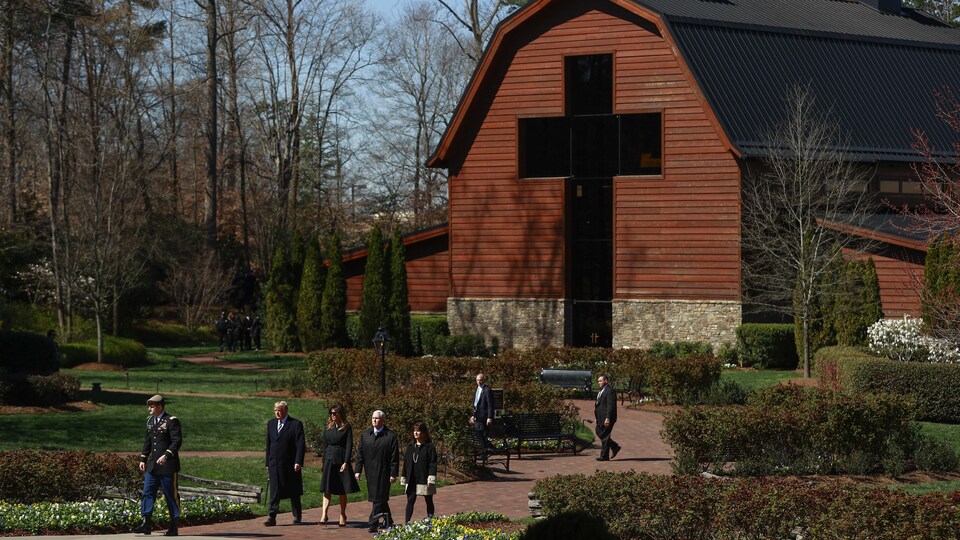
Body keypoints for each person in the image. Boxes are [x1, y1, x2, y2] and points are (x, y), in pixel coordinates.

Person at [133, 395, 182, 536]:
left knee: (170, 495)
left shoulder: (171, 421)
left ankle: (174, 526)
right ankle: (146, 524)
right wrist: (143, 459)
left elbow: (177, 441)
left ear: (160, 407)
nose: (149, 409)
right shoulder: (150, 421)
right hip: (153, 466)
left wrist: (166, 455)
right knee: (147, 492)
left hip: (168, 466)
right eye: (149, 406)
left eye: (152, 406)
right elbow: (148, 441)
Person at [355, 409, 399, 533]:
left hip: (384, 472)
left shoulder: (390, 436)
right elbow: (360, 454)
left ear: (383, 420)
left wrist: (393, 473)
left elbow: (394, 457)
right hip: (370, 472)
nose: (374, 420)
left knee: (378, 498)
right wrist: (358, 470)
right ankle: (388, 521)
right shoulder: (365, 435)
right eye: (373, 418)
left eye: (377, 418)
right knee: (380, 497)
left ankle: (373, 523)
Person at [264, 401, 306, 526]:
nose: (277, 413)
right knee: (274, 491)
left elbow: (300, 445)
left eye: (280, 410)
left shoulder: (295, 424)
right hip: (274, 464)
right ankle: (272, 516)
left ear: (286, 411)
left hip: (290, 464)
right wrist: (268, 462)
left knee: (293, 490)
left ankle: (297, 515)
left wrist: (298, 461)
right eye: (275, 410)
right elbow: (269, 444)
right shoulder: (271, 424)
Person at [319, 404, 360, 527]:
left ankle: (342, 514)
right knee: (327, 488)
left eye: (335, 413)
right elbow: (325, 445)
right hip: (329, 459)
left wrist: (346, 462)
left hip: (341, 459)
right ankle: (324, 514)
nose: (332, 415)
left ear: (340, 414)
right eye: (331, 413)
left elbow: (349, 445)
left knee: (342, 489)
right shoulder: (328, 427)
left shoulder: (346, 427)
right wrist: (323, 461)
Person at [400, 422, 438, 524]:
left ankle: (431, 521)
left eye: (418, 431)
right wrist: (404, 476)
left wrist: (431, 477)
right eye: (414, 431)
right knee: (410, 501)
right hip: (412, 478)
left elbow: (433, 463)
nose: (416, 433)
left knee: (428, 500)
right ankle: (407, 523)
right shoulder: (410, 446)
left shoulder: (429, 446)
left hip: (424, 478)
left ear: (423, 432)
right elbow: (406, 463)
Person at [594, 374, 621, 461]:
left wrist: (608, 418)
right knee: (598, 432)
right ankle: (614, 446)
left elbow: (611, 406)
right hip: (600, 417)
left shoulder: (610, 391)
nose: (599, 382)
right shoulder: (601, 391)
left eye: (600, 381)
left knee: (605, 435)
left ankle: (604, 456)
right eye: (598, 381)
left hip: (608, 418)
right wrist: (597, 417)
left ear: (606, 381)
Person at [469, 373, 495, 446]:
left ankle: (486, 449)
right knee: (478, 433)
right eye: (477, 380)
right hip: (477, 416)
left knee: (483, 434)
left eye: (480, 380)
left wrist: (489, 417)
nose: (478, 382)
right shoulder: (477, 389)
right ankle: (486, 448)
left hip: (484, 417)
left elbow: (490, 405)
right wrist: (473, 415)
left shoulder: (487, 390)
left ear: (483, 380)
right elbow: (475, 403)